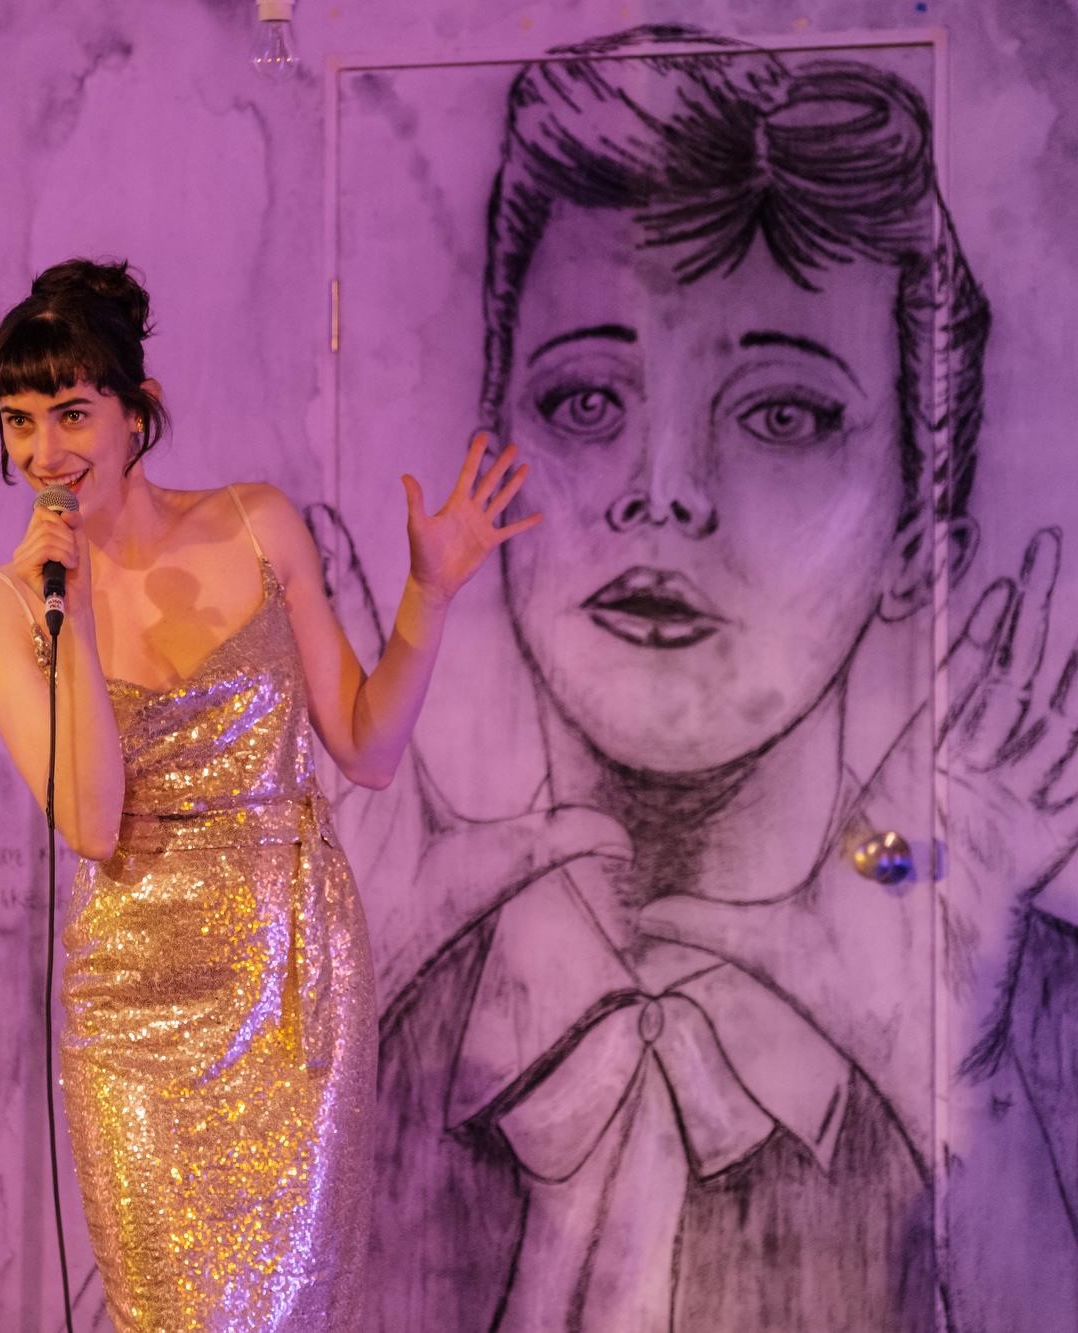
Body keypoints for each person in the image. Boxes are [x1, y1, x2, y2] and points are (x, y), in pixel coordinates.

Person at [365, 27, 1078, 1332]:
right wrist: (326, 1024)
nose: (662, 492)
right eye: (585, 400)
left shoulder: (1029, 1030)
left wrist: (960, 1086)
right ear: (490, 457)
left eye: (781, 414)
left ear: (918, 546)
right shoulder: (383, 994)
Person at [0, 258, 535, 1330]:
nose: (44, 452)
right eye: (17, 420)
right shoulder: (2, 611)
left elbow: (365, 747)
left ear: (137, 412)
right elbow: (91, 819)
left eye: (72, 412)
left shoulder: (258, 522)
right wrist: (72, 618)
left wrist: (428, 591)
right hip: (134, 1008)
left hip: (290, 981)